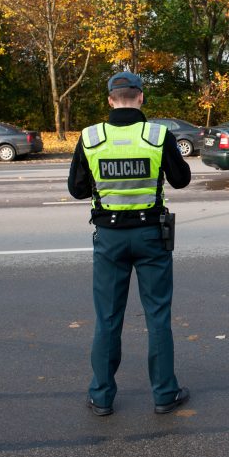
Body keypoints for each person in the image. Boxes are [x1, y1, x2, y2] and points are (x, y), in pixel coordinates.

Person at [68, 71, 192, 416]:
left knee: (107, 318)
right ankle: (165, 394)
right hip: (151, 236)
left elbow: (77, 189)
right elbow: (181, 180)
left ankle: (102, 396)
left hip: (109, 238)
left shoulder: (90, 138)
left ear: (110, 99)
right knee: (157, 316)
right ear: (141, 97)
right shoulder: (157, 135)